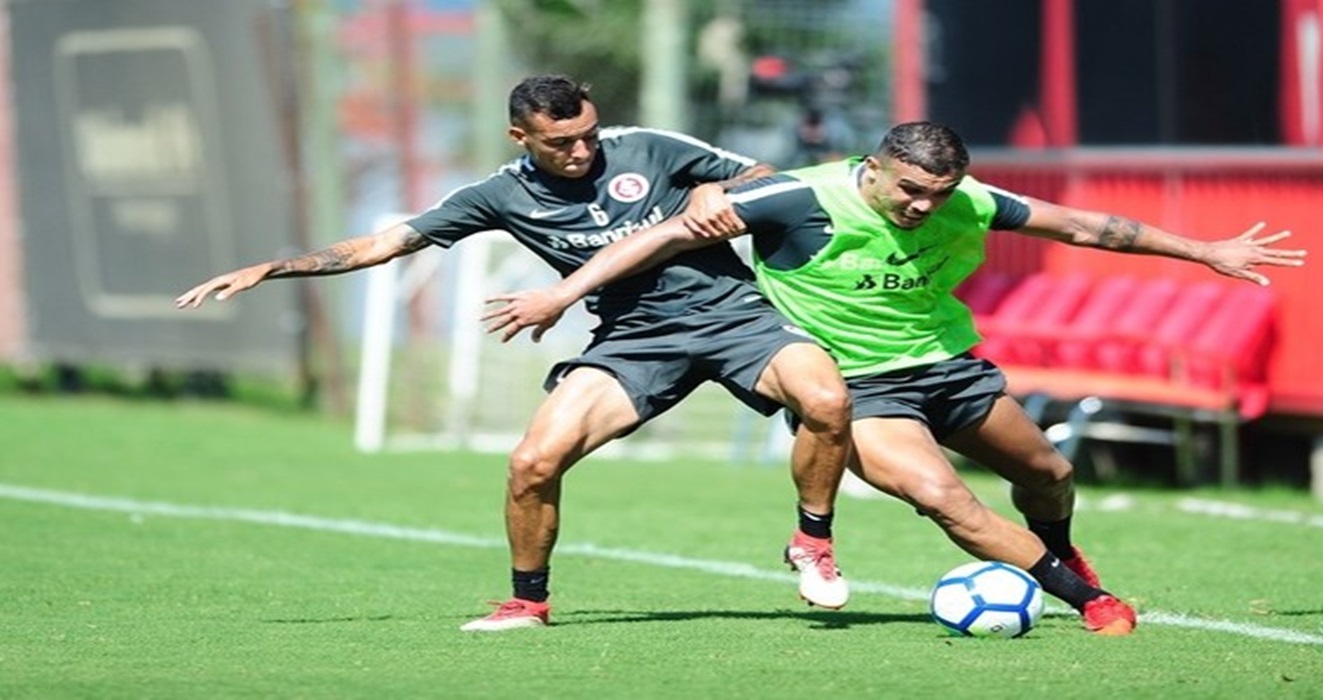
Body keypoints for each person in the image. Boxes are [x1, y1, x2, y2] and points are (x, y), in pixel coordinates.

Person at [485, 121, 1309, 635]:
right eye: (911, 191)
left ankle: (1057, 550)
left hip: (949, 366)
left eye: (938, 194)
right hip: (865, 389)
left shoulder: (969, 201)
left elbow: (1089, 226)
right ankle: (1087, 600)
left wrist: (1205, 252)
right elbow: (659, 238)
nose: (924, 207)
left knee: (1050, 473)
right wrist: (562, 292)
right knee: (945, 498)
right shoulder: (794, 196)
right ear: (873, 168)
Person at [174, 75, 854, 631]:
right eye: (562, 143)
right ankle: (528, 602)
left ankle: (812, 544)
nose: (583, 151)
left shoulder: (648, 146)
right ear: (520, 136)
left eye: (588, 134)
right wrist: (273, 268)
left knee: (825, 398)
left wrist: (718, 188)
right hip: (635, 342)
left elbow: (766, 174)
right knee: (533, 462)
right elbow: (384, 245)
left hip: (733, 318)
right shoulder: (499, 194)